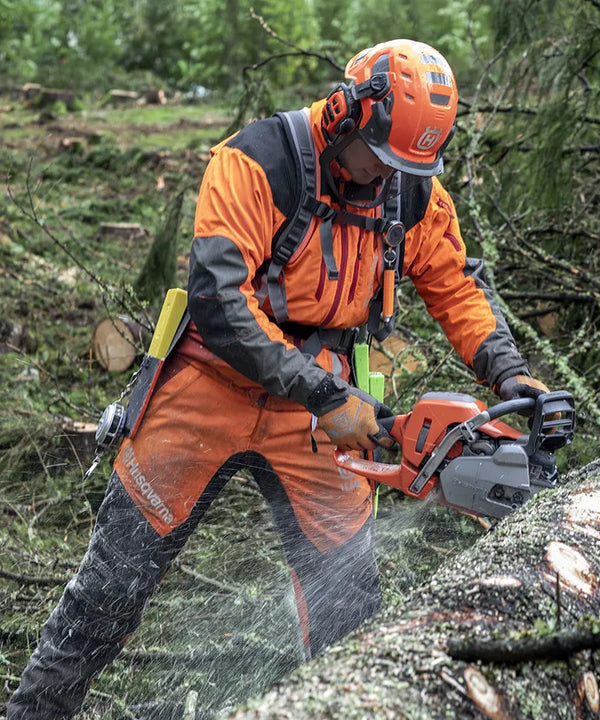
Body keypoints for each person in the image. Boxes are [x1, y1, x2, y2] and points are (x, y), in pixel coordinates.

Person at [7, 39, 550, 719]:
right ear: (349, 115)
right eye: (379, 158)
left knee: (350, 608)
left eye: (402, 165)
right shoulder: (258, 160)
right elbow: (220, 303)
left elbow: (454, 283)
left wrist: (509, 372)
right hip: (209, 385)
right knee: (108, 592)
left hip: (320, 398)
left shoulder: (409, 188)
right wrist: (328, 399)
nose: (385, 177)